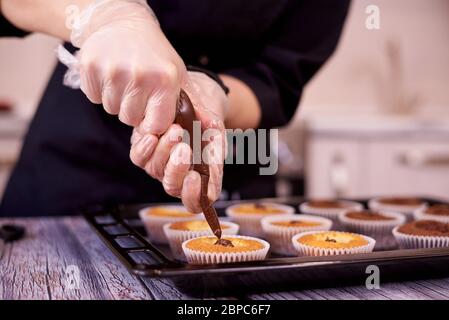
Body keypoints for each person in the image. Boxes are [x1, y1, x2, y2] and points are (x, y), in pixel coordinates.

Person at [0, 0, 350, 216]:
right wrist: (106, 16)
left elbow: (275, 82)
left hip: (228, 168)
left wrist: (215, 95)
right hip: (73, 170)